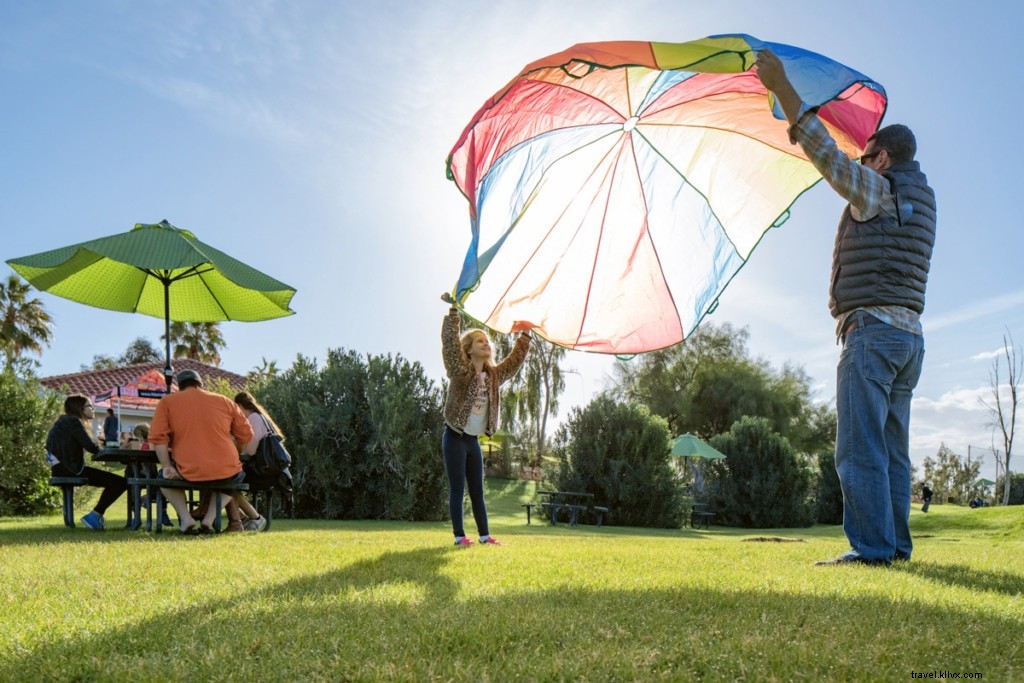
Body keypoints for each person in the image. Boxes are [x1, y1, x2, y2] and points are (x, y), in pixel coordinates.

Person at [756, 51, 936, 566]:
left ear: (881, 159)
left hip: (873, 333)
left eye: (867, 155)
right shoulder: (921, 197)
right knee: (893, 453)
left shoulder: (877, 190)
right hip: (910, 340)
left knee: (859, 450)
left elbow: (829, 159)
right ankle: (895, 547)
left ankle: (871, 549)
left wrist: (784, 90)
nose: (861, 162)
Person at [440, 294, 530, 547]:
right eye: (479, 341)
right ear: (468, 349)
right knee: (458, 488)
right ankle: (459, 536)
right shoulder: (459, 370)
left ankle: (484, 536)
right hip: (454, 437)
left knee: (478, 491)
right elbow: (449, 344)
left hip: (473, 441)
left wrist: (525, 336)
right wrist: (454, 312)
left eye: (487, 341)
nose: (485, 343)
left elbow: (513, 363)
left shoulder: (493, 375)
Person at [148, 369, 254, 534]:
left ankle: (186, 518)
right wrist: (237, 452)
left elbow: (158, 439)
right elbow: (246, 435)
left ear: (180, 386)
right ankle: (208, 520)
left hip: (188, 468)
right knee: (233, 478)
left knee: (164, 478)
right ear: (201, 384)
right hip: (226, 468)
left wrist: (167, 465)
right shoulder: (225, 401)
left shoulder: (167, 402)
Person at [46, 395, 128, 530]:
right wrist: (106, 448)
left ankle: (91, 517)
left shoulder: (64, 422)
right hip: (70, 469)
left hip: (61, 468)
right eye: (90, 406)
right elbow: (91, 447)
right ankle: (95, 516)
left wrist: (102, 444)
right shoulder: (73, 422)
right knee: (120, 482)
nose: (93, 409)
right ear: (80, 409)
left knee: (115, 482)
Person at [233, 390, 283, 532]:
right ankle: (242, 517)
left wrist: (238, 449)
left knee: (227, 481)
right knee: (227, 481)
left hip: (261, 472)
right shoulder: (262, 417)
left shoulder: (254, 418)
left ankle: (252, 518)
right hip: (269, 470)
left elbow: (251, 450)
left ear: (241, 406)